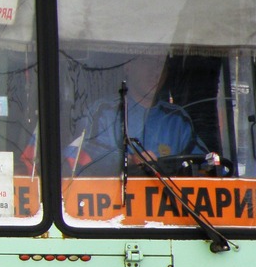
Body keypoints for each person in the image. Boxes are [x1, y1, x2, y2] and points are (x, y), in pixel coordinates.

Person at [69, 51, 197, 175]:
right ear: (128, 66)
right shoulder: (103, 113)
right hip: (117, 195)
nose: (156, 71)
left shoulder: (177, 120)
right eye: (148, 61)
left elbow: (205, 164)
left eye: (161, 64)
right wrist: (128, 160)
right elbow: (72, 158)